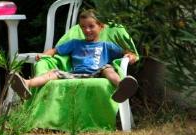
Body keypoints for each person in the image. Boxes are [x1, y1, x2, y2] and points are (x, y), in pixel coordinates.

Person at [9, 9, 139, 103]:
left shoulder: (106, 45)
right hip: (75, 73)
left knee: (108, 68)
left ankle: (121, 86)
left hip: (97, 72)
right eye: (83, 27)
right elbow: (55, 51)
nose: (87, 30)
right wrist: (44, 56)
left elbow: (126, 52)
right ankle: (27, 84)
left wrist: (130, 56)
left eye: (91, 26)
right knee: (53, 73)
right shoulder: (75, 43)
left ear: (101, 26)